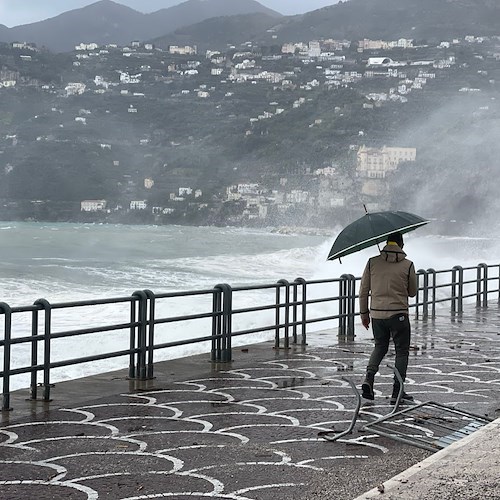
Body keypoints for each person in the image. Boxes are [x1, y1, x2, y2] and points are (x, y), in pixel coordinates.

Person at [358, 231, 417, 404]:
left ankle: (369, 378)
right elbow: (412, 292)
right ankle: (397, 392)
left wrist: (364, 314)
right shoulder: (408, 265)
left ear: (386, 243)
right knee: (401, 351)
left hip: (377, 315)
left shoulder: (372, 263)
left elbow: (363, 291)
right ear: (401, 245)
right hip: (398, 314)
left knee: (380, 346)